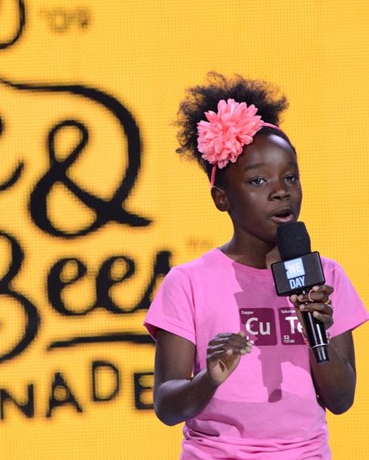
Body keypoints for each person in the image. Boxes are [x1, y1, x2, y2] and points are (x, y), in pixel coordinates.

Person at [144, 72, 369, 459]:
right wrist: (209, 378)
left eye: (290, 177)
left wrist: (316, 332)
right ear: (222, 198)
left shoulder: (326, 276)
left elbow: (341, 399)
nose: (281, 191)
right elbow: (167, 406)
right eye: (258, 181)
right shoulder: (188, 283)